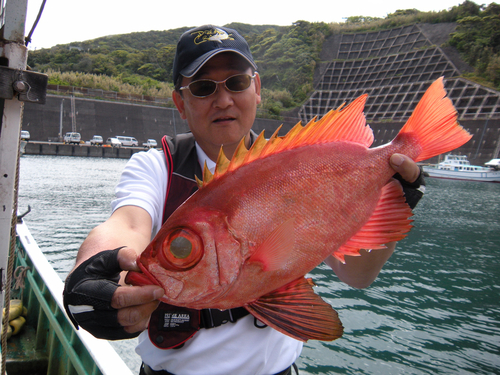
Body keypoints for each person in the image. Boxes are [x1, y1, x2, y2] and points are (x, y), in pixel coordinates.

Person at [63, 25, 425, 375]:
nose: (223, 100)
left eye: (236, 83)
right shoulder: (157, 167)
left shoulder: (304, 168)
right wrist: (94, 272)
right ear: (181, 103)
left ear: (257, 89)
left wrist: (395, 200)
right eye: (204, 88)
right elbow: (124, 225)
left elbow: (358, 275)